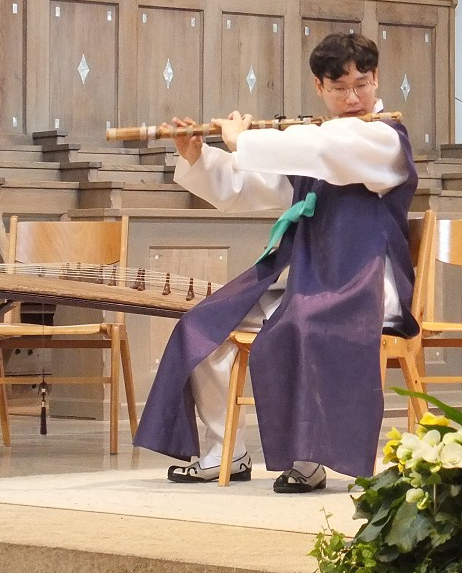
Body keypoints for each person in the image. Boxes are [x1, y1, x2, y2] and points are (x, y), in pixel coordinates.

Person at [135, 32, 418, 493]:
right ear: (319, 88)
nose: (352, 97)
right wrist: (200, 155)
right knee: (204, 325)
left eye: (362, 84)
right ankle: (224, 451)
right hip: (310, 276)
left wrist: (245, 139)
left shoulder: (382, 137)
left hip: (362, 283)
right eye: (339, 88)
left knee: (299, 326)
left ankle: (309, 461)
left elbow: (329, 149)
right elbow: (248, 186)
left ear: (376, 79)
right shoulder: (309, 143)